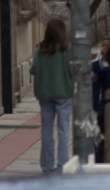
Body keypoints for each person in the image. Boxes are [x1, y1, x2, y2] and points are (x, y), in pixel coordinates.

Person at [31, 19, 73, 173]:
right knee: (63, 130)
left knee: (47, 131)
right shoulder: (66, 49)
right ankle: (62, 164)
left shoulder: (39, 49)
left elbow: (33, 69)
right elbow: (71, 70)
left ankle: (47, 165)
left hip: (44, 94)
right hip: (63, 93)